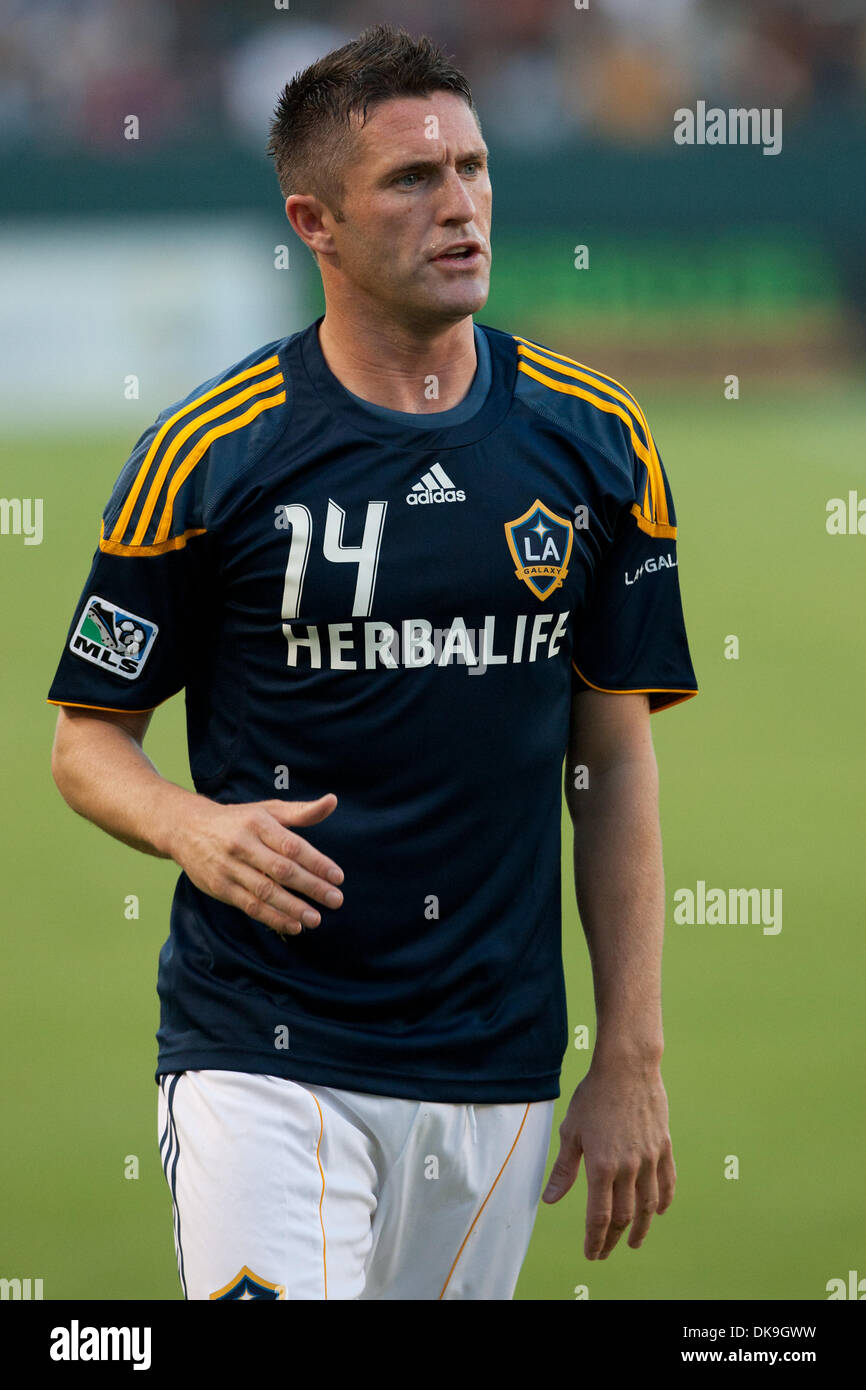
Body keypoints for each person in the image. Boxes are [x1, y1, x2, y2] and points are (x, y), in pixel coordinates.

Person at [47, 24, 698, 1301]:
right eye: (410, 179)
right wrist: (191, 826)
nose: (458, 204)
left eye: (471, 166)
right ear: (315, 220)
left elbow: (611, 762)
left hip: (491, 1063)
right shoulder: (208, 452)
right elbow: (85, 740)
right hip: (260, 1049)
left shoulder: (597, 443)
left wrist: (629, 1051)